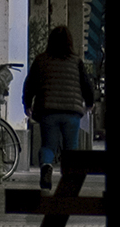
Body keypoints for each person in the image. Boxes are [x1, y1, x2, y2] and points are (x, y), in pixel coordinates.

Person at [23, 24, 96, 187]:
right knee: (71, 148)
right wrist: (89, 104)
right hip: (72, 112)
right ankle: (70, 179)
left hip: (48, 110)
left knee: (48, 145)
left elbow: (30, 84)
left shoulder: (41, 60)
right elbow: (86, 84)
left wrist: (27, 104)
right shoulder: (76, 61)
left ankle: (47, 167)